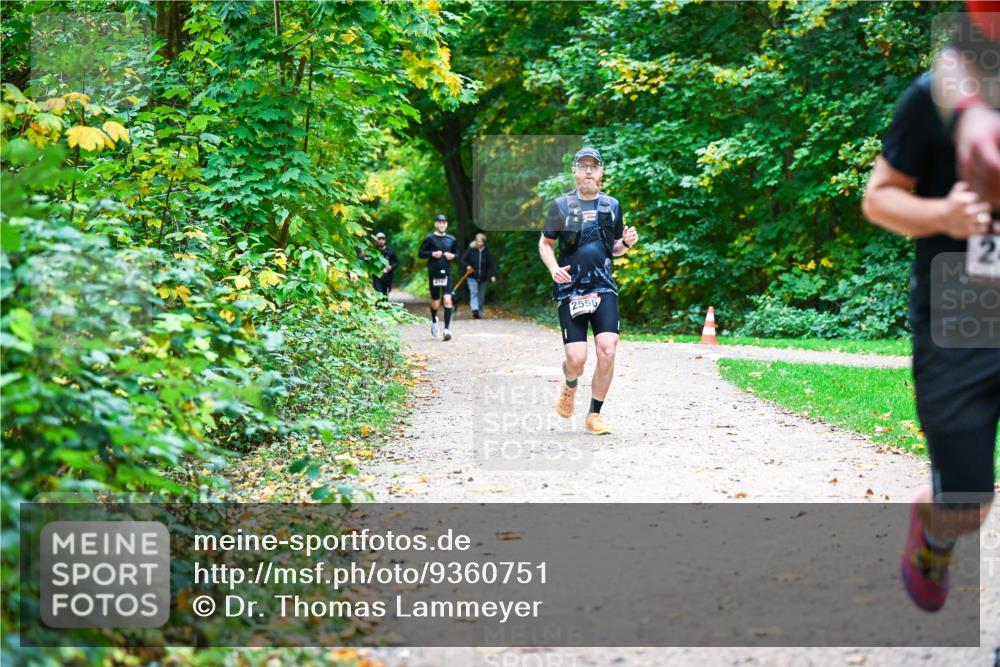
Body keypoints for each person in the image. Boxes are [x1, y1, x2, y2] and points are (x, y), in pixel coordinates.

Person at [861, 68, 1000, 612]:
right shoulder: (939, 93)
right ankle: (936, 530)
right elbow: (880, 199)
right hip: (963, 312)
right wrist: (943, 214)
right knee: (967, 503)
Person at [538, 147, 638, 435]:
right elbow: (546, 243)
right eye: (583, 166)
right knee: (576, 360)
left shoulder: (612, 206)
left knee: (608, 350)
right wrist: (553, 268)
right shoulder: (560, 206)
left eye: (593, 166)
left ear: (601, 171)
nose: (589, 171)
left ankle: (594, 414)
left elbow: (614, 249)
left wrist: (627, 244)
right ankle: (570, 384)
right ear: (575, 171)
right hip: (571, 290)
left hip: (604, 288)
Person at [418, 213, 458, 341]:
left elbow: (457, 253)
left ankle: (446, 330)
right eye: (439, 222)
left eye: (444, 222)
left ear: (446, 224)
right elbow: (420, 253)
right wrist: (432, 254)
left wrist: (453, 256)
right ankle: (434, 320)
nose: (441, 224)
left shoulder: (451, 239)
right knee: (436, 302)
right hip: (434, 273)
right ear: (436, 224)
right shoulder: (429, 238)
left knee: (447, 299)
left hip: (447, 273)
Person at [461, 233, 496, 319]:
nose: (479, 243)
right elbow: (462, 260)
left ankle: (479, 313)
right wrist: (467, 266)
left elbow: (491, 264)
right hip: (472, 276)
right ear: (476, 241)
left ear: (484, 242)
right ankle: (475, 309)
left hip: (483, 277)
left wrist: (493, 275)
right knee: (474, 292)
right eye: (478, 241)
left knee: (481, 296)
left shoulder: (487, 252)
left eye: (481, 241)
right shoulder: (471, 250)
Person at [371, 231, 399, 298]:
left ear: (385, 240)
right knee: (379, 294)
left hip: (387, 277)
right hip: (377, 276)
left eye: (382, 239)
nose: (381, 241)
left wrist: (391, 267)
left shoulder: (390, 251)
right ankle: (378, 307)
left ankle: (383, 307)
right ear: (376, 240)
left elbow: (397, 262)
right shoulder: (373, 251)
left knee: (385, 295)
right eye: (379, 239)